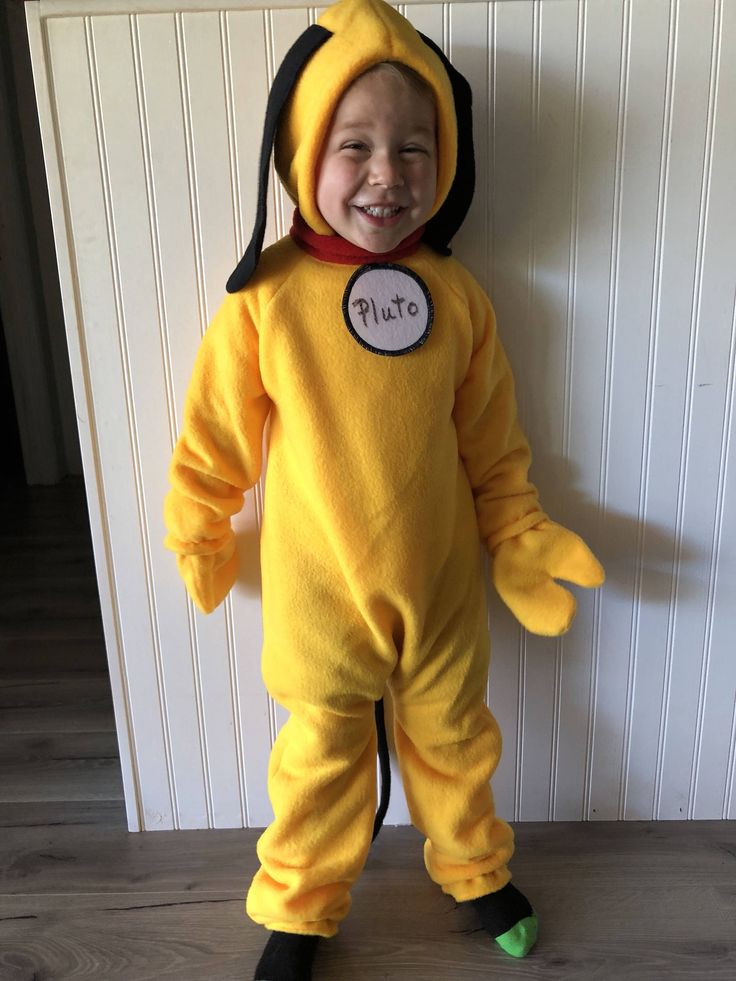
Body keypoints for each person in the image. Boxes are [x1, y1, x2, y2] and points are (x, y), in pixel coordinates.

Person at [164, 2, 605, 979]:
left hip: (442, 592)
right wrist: (198, 525)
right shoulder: (267, 301)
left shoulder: (458, 299)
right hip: (320, 598)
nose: (385, 175)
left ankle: (475, 868)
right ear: (298, 149)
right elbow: (213, 436)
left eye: (414, 148)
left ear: (446, 161)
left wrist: (520, 535)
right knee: (322, 763)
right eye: (352, 144)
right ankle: (299, 907)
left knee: (456, 741)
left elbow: (493, 445)